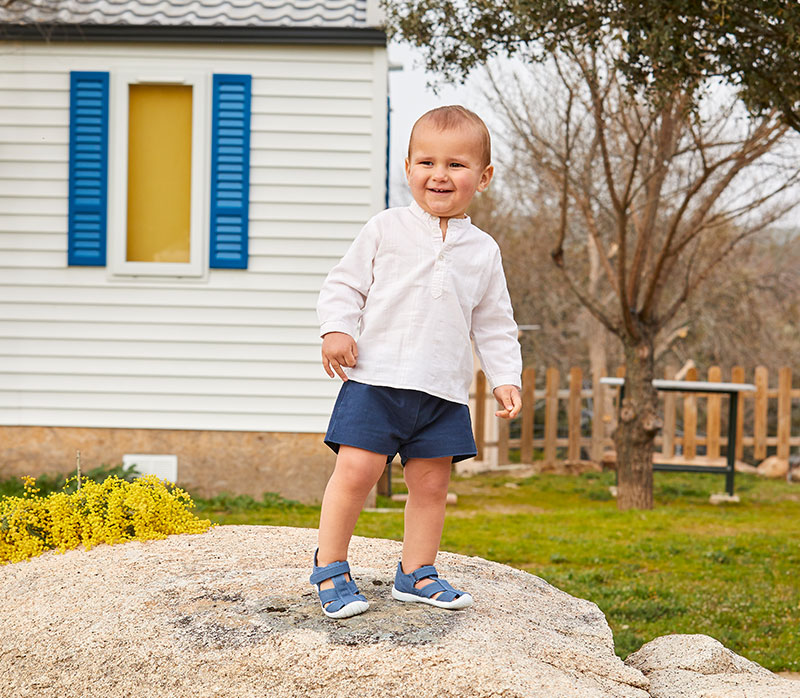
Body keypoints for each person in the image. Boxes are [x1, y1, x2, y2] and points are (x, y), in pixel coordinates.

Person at [310, 105, 522, 619]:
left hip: (443, 392)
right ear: (408, 168)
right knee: (356, 472)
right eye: (426, 162)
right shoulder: (386, 228)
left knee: (432, 486)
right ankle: (331, 566)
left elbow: (493, 322)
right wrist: (337, 328)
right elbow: (345, 283)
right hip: (376, 382)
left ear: (484, 176)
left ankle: (417, 571)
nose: (440, 175)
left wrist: (505, 378)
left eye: (456, 164)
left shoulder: (484, 251)